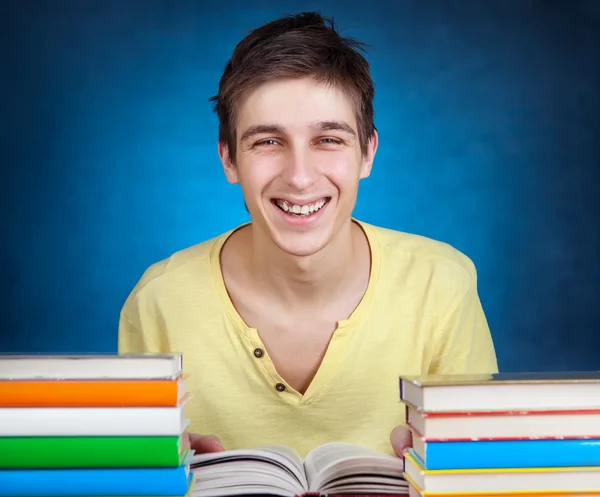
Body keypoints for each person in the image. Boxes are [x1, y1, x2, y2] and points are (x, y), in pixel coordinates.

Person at [118, 11, 498, 460]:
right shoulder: (159, 301)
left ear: (367, 153)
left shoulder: (442, 284)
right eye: (267, 142)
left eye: (329, 140)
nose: (299, 178)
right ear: (229, 160)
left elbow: (481, 471)